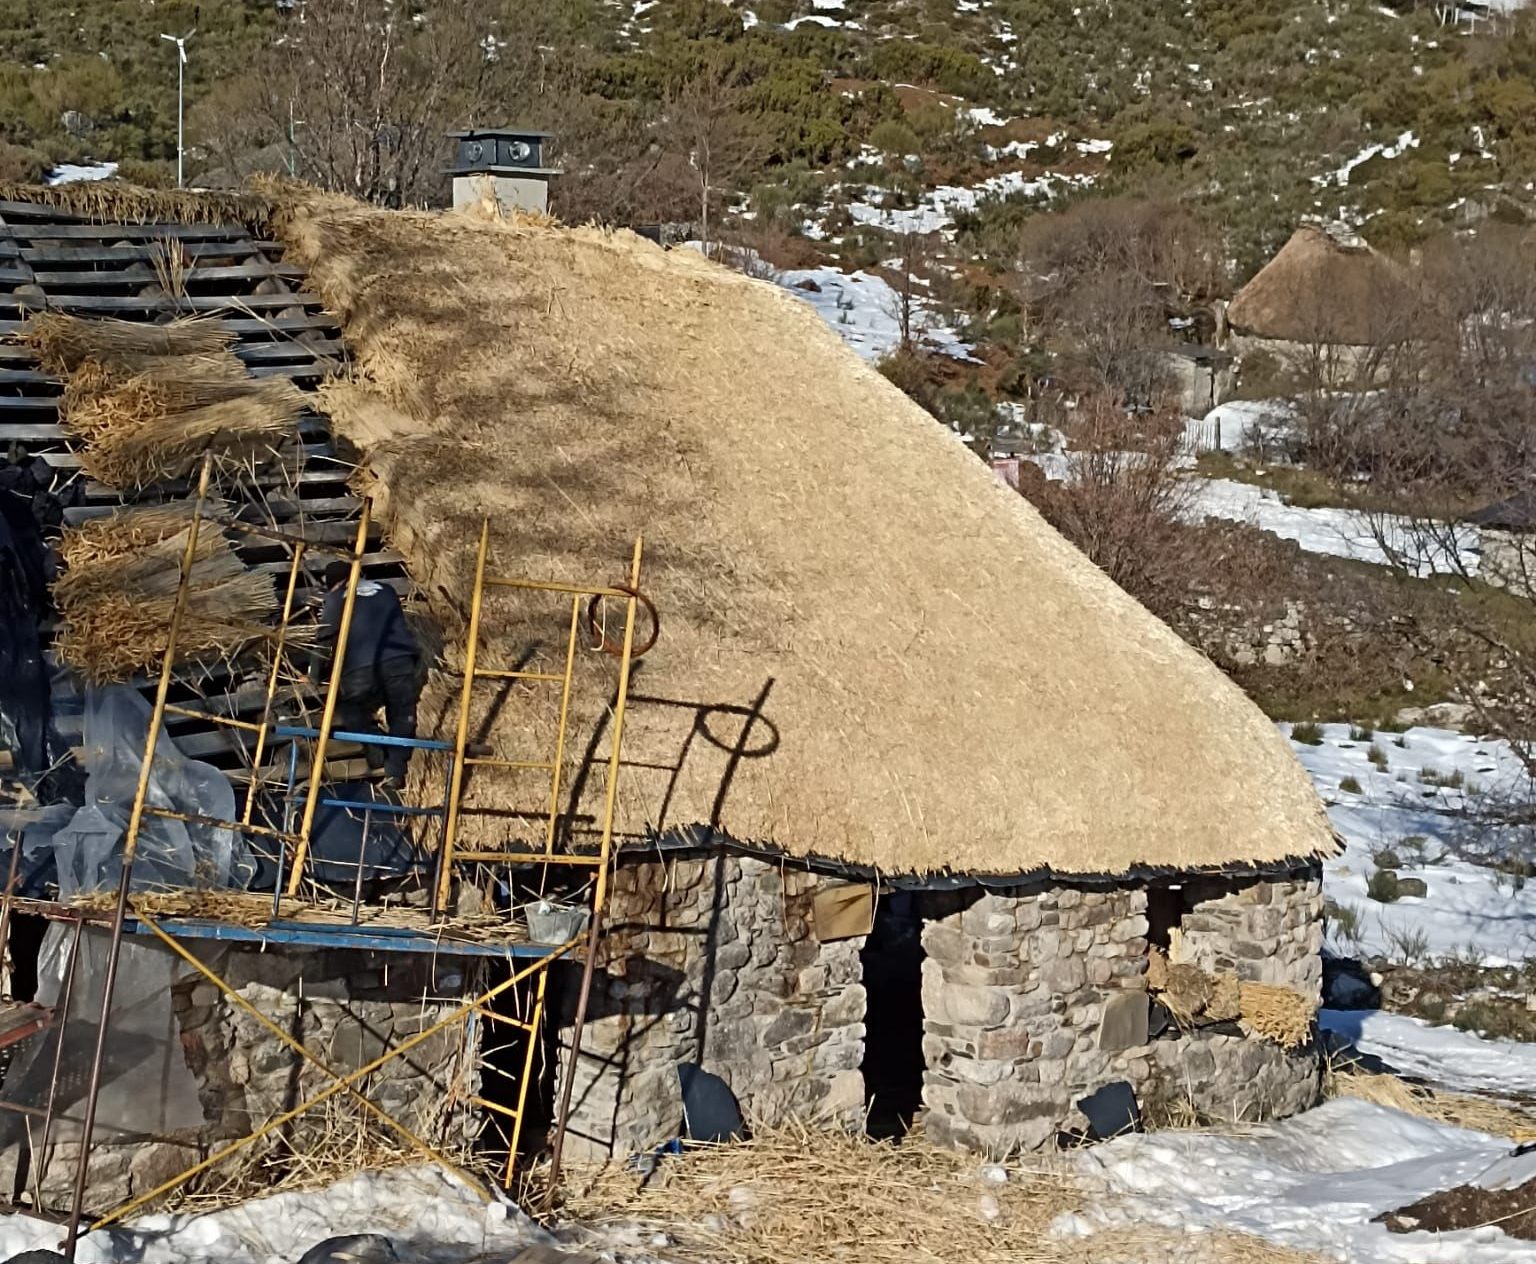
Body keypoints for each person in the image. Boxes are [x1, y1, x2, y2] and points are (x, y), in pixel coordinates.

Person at [313, 561, 422, 786]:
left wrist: (313, 674)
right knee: (402, 715)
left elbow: (323, 640)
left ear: (336, 583)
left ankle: (375, 751)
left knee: (352, 709)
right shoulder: (388, 590)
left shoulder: (335, 599)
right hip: (399, 661)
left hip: (360, 666)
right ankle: (395, 770)